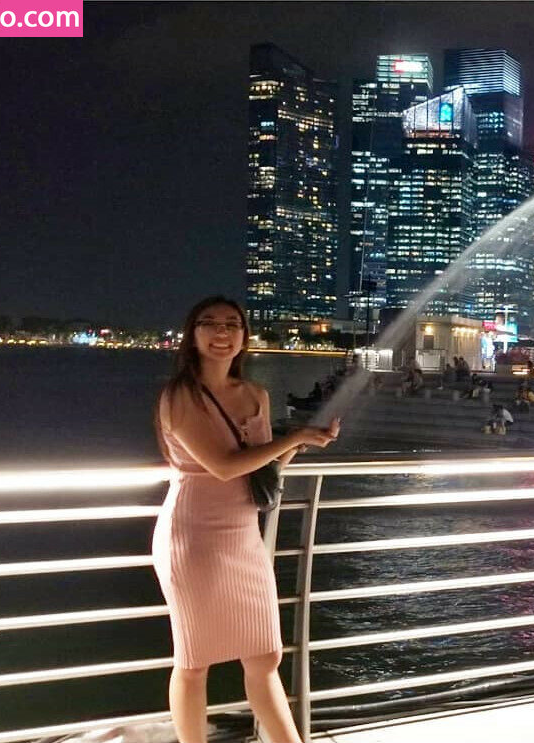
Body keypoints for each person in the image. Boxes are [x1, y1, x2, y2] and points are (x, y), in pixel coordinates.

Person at [152, 296, 340, 743]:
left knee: (265, 655)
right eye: (209, 323)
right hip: (193, 536)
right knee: (194, 662)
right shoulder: (180, 396)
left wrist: (302, 444)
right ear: (192, 335)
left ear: (244, 336)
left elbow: (261, 468)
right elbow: (222, 466)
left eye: (232, 324)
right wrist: (292, 436)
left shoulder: (256, 395)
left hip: (244, 537)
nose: (222, 332)